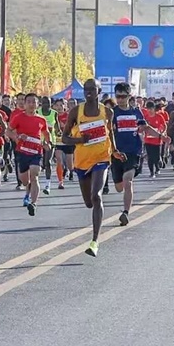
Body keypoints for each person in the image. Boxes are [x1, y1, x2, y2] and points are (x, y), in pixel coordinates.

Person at [62, 79, 125, 257]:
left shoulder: (107, 112)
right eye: (86, 89)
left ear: (99, 91)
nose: (88, 92)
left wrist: (114, 151)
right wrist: (80, 140)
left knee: (96, 196)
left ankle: (95, 241)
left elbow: (110, 133)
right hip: (82, 161)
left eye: (92, 89)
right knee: (89, 202)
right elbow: (65, 138)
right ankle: (94, 234)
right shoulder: (76, 111)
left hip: (101, 158)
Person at [110, 82, 164, 226]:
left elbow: (145, 128)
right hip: (116, 153)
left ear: (129, 96)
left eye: (123, 96)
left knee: (128, 181)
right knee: (119, 187)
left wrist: (161, 136)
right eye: (117, 96)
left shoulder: (136, 113)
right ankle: (125, 205)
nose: (120, 99)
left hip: (133, 152)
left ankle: (126, 213)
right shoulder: (112, 113)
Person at [7, 93, 52, 216]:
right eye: (29, 102)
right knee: (25, 180)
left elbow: (46, 133)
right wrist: (17, 138)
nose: (32, 104)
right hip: (22, 152)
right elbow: (8, 130)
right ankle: (27, 191)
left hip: (36, 152)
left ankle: (34, 203)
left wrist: (49, 143)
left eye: (34, 102)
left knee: (35, 174)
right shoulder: (19, 117)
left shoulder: (41, 120)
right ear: (25, 104)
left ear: (38, 104)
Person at [36, 96, 60, 195]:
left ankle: (47, 184)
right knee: (38, 162)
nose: (47, 105)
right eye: (45, 103)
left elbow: (57, 126)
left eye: (49, 103)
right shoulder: (37, 112)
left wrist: (59, 132)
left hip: (51, 141)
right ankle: (34, 182)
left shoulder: (54, 113)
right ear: (42, 103)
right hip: (39, 141)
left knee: (48, 162)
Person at [54, 99, 76, 189]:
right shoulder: (53, 115)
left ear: (65, 106)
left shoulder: (68, 115)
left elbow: (74, 126)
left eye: (61, 105)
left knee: (70, 163)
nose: (59, 107)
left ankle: (70, 171)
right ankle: (60, 180)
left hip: (68, 141)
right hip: (57, 141)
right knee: (59, 160)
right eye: (57, 105)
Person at [143, 101, 168, 178]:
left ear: (154, 108)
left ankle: (157, 167)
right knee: (150, 157)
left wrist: (162, 132)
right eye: (148, 109)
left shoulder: (159, 116)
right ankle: (151, 172)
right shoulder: (145, 117)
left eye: (151, 108)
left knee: (156, 157)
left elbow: (164, 126)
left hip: (157, 140)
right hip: (148, 140)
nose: (149, 110)